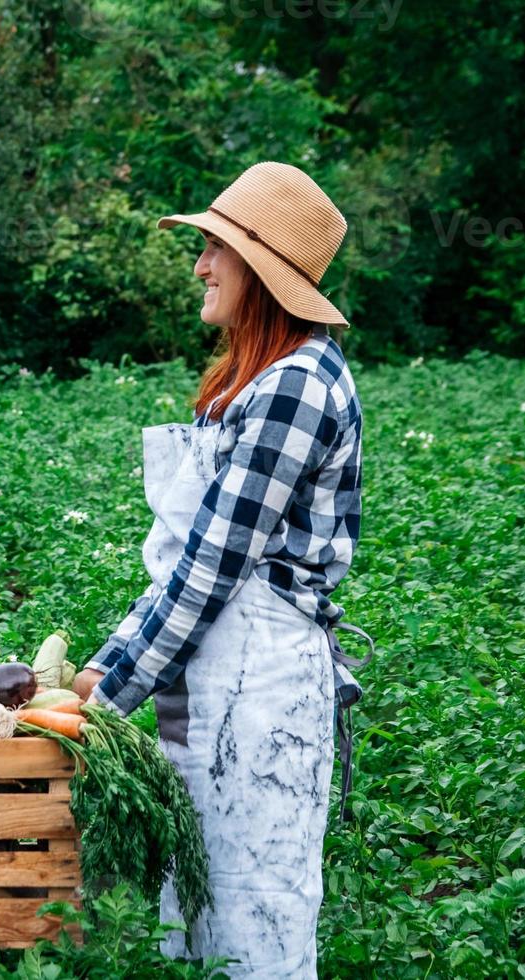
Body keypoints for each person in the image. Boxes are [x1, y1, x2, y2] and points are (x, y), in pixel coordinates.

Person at [72, 161, 366, 978]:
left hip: (261, 692)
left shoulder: (298, 386)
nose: (201, 265)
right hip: (210, 686)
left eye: (215, 249)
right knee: (199, 918)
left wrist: (107, 697)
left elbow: (212, 569)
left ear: (263, 269)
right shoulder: (250, 381)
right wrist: (99, 671)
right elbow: (183, 566)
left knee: (254, 925)